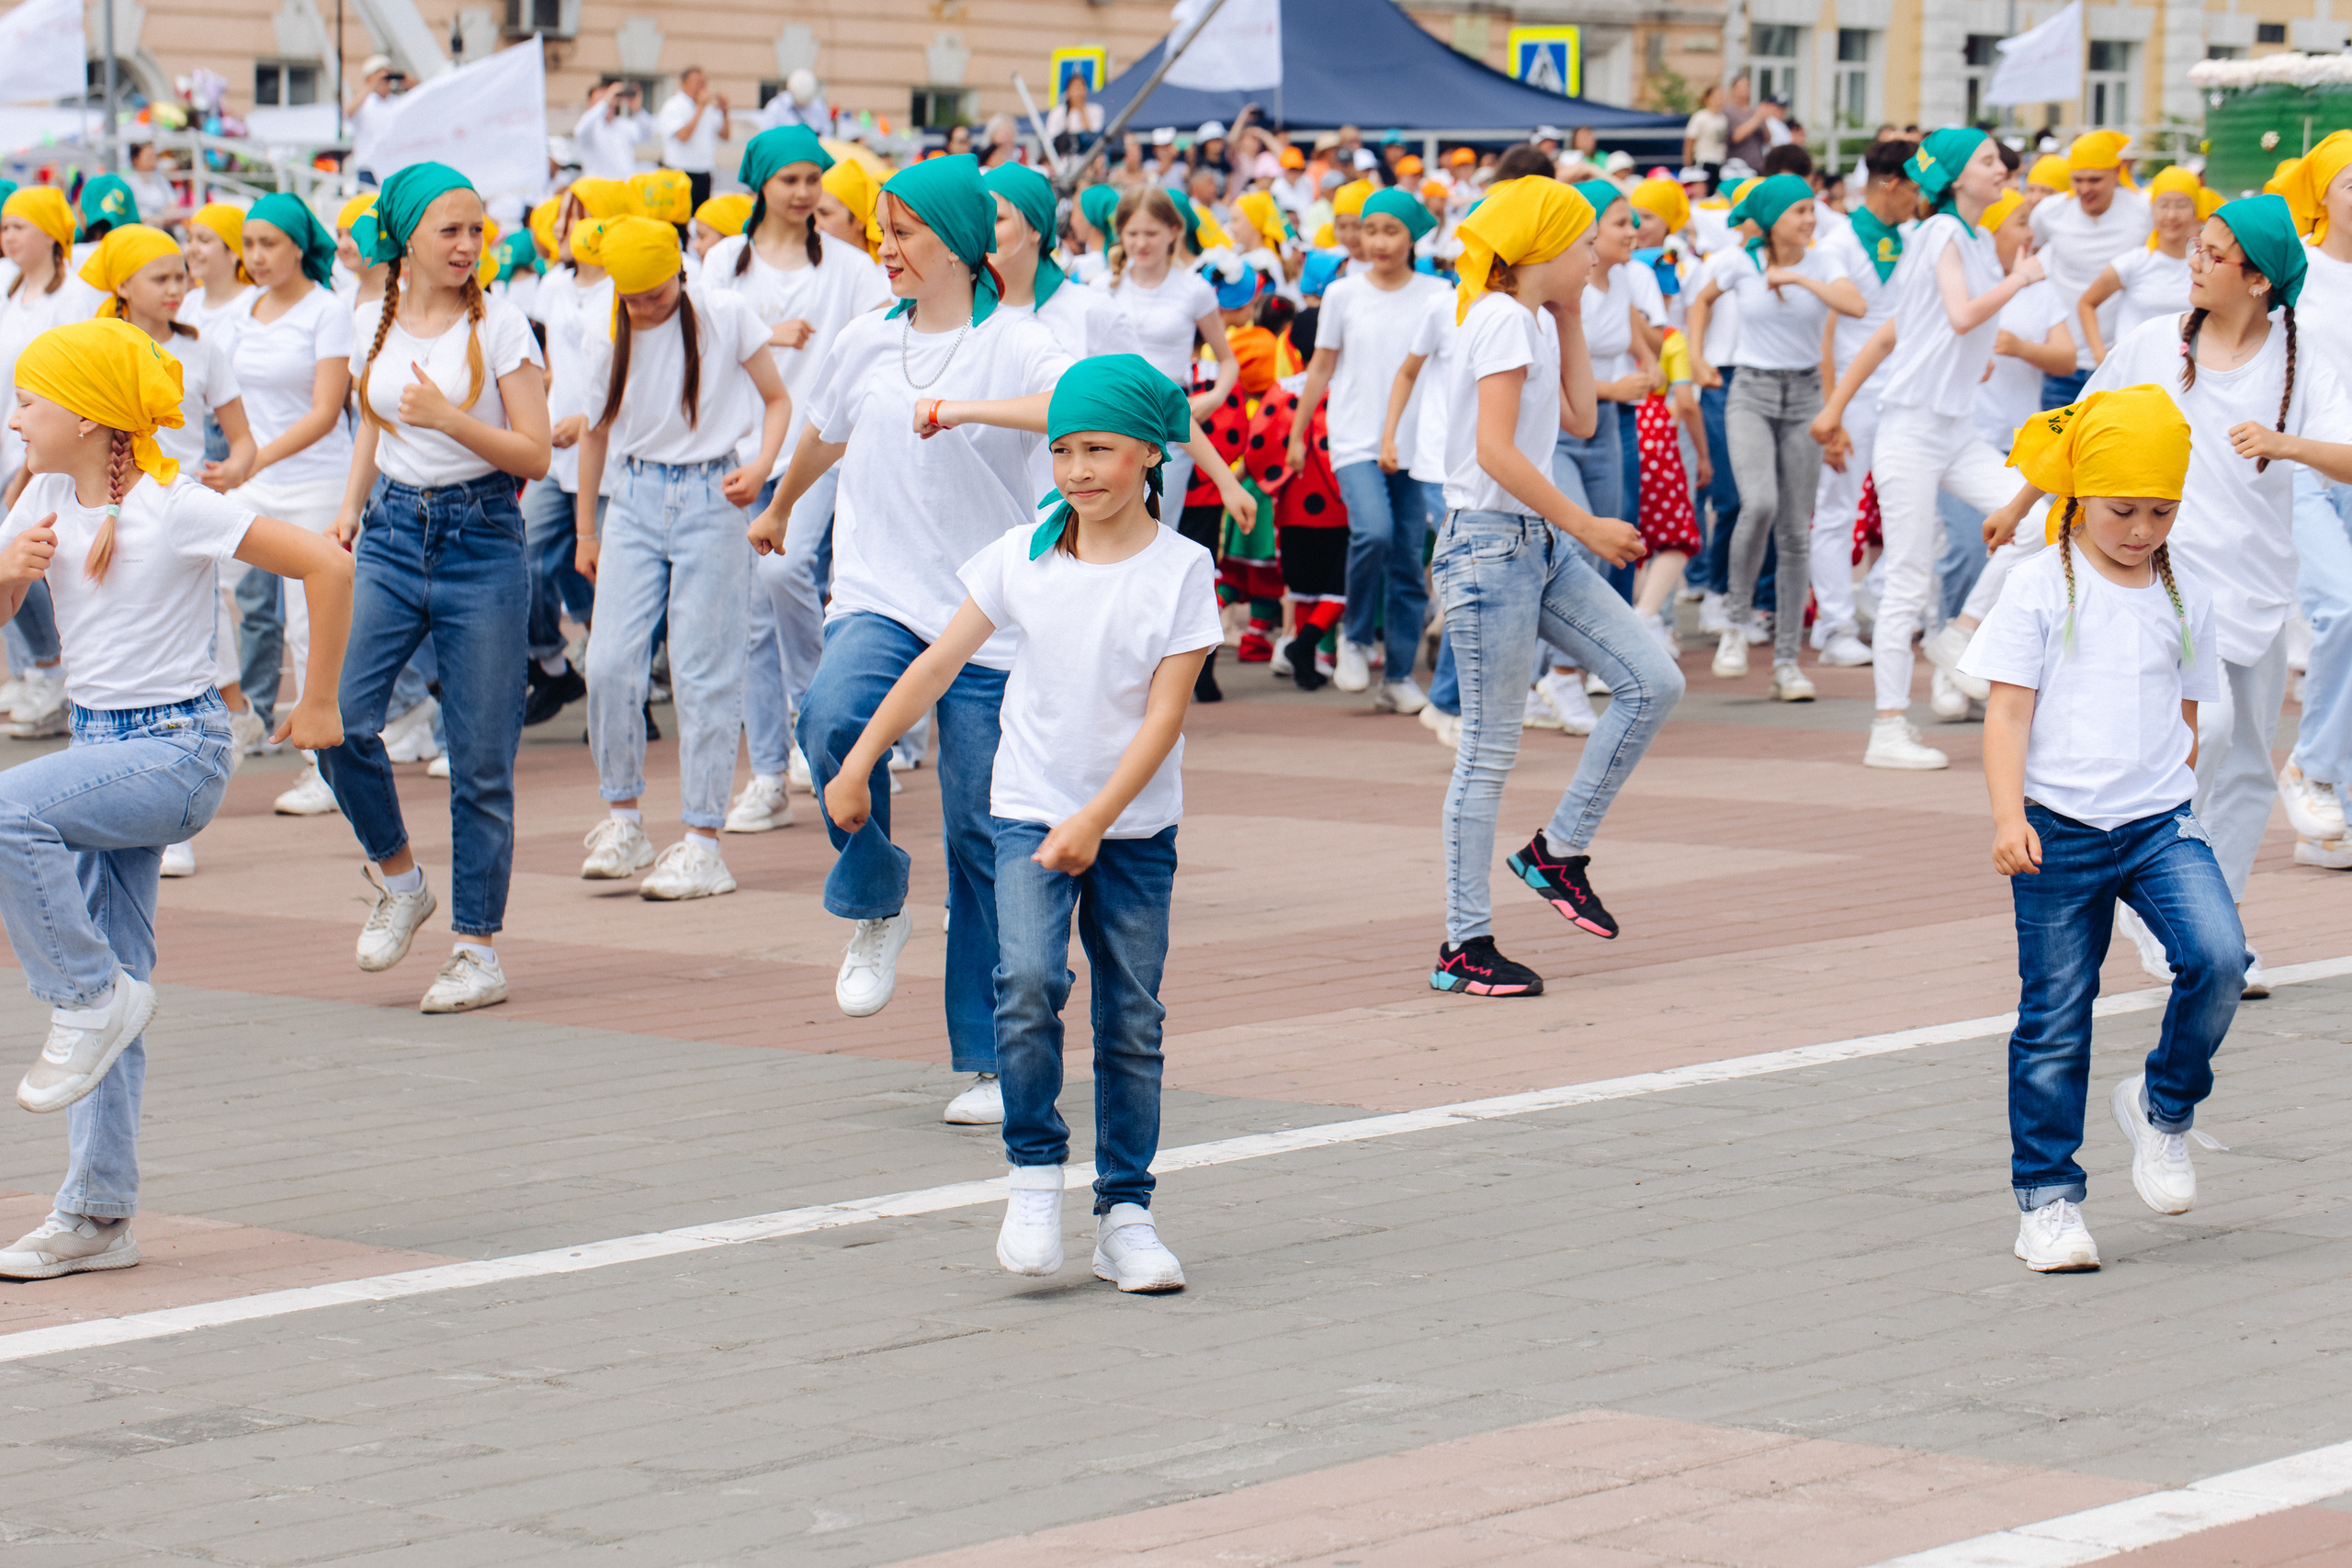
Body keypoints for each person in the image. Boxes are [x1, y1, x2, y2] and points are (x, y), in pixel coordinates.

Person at [821, 355, 1216, 1292]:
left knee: (1131, 1017)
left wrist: (1099, 818)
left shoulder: (1180, 571)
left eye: (1101, 451)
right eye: (1064, 451)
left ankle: (1126, 1213)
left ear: (1147, 456)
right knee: (1028, 981)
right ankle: (1034, 1174)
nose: (1078, 471)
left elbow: (1165, 716)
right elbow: (931, 666)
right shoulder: (1019, 556)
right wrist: (858, 759)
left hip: (1130, 831)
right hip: (1028, 814)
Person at [0, 318, 352, 1281]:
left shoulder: (174, 503)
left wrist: (315, 702)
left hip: (175, 752)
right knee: (118, 982)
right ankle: (97, 1214)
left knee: (5, 814)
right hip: (98, 750)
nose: (17, 414)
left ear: (89, 415)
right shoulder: (35, 495)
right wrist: (5, 577)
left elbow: (328, 563)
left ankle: (88, 998)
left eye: (31, 398)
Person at [750, 154, 1073, 1126]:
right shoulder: (861, 339)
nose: (883, 249)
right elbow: (824, 430)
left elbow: (1079, 412)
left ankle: (983, 1058)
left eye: (903, 233)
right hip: (879, 594)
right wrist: (779, 503)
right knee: (836, 721)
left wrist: (964, 409)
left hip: (988, 614)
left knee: (981, 835)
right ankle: (875, 887)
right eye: (880, 232)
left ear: (962, 243)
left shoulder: (1019, 342)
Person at [1983, 195, 2352, 997]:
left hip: (2257, 585)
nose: (2195, 257)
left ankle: (2221, 921)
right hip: (2167, 579)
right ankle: (2159, 915)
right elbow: (2081, 423)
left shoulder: (2304, 353)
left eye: (2215, 253)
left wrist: (2285, 443)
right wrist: (2018, 506)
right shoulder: (2154, 339)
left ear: (2257, 281)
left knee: (2250, 764)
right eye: (2200, 248)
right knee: (2205, 734)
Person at [1958, 387, 2235, 1273]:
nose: (2142, 529)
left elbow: (2190, 710)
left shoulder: (2187, 587)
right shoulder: (2040, 583)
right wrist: (2008, 817)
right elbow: (2006, 714)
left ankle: (2163, 1109)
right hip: (2057, 830)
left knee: (2219, 959)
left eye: (2162, 511)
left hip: (2159, 825)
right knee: (2055, 1016)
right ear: (2080, 494)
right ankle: (2047, 1200)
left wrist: (2175, 789)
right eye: (2123, 510)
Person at [1430, 175, 1682, 998]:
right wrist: (1586, 524)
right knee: (1489, 752)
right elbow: (1496, 451)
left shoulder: (1534, 317)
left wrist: (1570, 313)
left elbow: (1578, 418)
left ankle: (1558, 851)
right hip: (1490, 547)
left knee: (1654, 681)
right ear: (1542, 247)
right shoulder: (1501, 317)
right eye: (1583, 245)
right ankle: (1463, 945)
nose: (1595, 258)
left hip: (1533, 547)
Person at [318, 163, 553, 1012]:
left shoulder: (501, 326)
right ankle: (401, 879)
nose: (466, 246)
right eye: (449, 230)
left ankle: (475, 947)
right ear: (406, 236)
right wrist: (349, 507)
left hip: (482, 538)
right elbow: (370, 423)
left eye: (476, 230)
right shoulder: (369, 320)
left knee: (481, 759)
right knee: (337, 721)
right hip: (387, 534)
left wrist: (453, 419)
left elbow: (536, 454)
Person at [1812, 129, 2047, 772]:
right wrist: (2021, 278)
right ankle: (1888, 725)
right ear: (1953, 174)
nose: (2003, 168)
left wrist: (1969, 360)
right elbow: (1962, 316)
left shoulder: (1962, 240)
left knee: (2043, 519)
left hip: (1952, 426)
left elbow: (1900, 333)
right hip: (1912, 429)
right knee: (1908, 577)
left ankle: (1962, 632)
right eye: (1988, 160)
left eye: (2001, 160)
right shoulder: (1942, 231)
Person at [574, 216, 790, 899]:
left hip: (713, 494)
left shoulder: (725, 313)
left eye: (656, 292)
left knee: (705, 673)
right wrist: (586, 529)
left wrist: (760, 467)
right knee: (607, 661)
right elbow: (593, 431)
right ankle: (624, 817)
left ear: (680, 270)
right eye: (632, 295)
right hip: (633, 495)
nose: (645, 305)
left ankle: (702, 840)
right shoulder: (601, 325)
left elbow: (777, 398)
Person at [704, 128, 889, 836]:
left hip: (812, 456)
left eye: (813, 179)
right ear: (761, 185)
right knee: (747, 615)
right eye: (789, 179)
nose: (804, 192)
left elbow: (887, 324)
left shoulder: (847, 266)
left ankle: (821, 710)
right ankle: (767, 774)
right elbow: (699, 335)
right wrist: (762, 331)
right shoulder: (724, 261)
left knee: (784, 581)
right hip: (733, 456)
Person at [78, 224, 265, 873]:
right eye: (160, 277)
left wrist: (232, 471)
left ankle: (172, 821)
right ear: (122, 285)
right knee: (113, 649)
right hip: (105, 504)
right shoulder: (98, 346)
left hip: (178, 516)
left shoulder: (203, 348)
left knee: (184, 651)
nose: (176, 288)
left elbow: (241, 439)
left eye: (180, 274)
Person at [1686, 173, 1863, 698]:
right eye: (1798, 212)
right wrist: (1697, 358)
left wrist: (1799, 281)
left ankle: (1787, 662)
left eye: (1812, 210)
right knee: (1756, 503)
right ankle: (1735, 625)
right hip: (1751, 391)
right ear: (1770, 221)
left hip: (1806, 393)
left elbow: (1854, 306)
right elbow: (1700, 302)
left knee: (1794, 531)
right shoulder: (1737, 261)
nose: (1810, 220)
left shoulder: (1825, 260)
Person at [1288, 187, 1449, 709]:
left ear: (1411, 237)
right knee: (1373, 532)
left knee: (1406, 557)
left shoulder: (1438, 293)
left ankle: (1398, 677)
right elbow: (1322, 365)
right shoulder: (1342, 294)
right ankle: (1354, 637)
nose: (1377, 241)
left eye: (1390, 230)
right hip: (1355, 437)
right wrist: (1298, 432)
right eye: (1370, 229)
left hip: (1416, 443)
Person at [225, 195, 356, 812]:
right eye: (248, 244)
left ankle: (322, 765)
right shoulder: (240, 310)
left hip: (315, 482)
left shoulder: (328, 311)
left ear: (299, 245)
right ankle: (231, 713)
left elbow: (326, 413)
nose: (255, 256)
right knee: (196, 578)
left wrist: (252, 459)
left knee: (310, 626)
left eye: (268, 243)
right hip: (255, 479)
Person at [518, 179, 633, 731]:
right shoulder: (553, 285)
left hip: (609, 458)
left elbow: (631, 376)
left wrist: (585, 420)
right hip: (556, 451)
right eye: (563, 216)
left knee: (609, 577)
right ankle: (553, 662)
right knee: (525, 556)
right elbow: (552, 362)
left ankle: (620, 695)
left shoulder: (625, 286)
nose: (563, 227)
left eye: (578, 216)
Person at [2272, 133, 2352, 865]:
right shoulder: (2297, 266)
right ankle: (2310, 766)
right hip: (2298, 464)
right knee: (2343, 606)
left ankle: (2334, 816)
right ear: (2323, 193)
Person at [1804, 137, 1914, 666]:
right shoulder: (1837, 246)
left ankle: (1877, 594)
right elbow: (1824, 337)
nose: (1920, 197)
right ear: (1889, 184)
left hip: (1906, 393)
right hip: (1853, 396)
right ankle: (1834, 626)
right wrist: (1833, 410)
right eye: (1914, 186)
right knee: (1836, 511)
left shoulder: (1916, 238)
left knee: (1915, 504)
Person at [1092, 186, 1240, 506]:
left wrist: (1214, 397)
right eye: (1132, 233)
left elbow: (1228, 360)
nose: (1141, 243)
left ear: (1173, 231)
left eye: (1151, 233)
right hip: (1111, 421)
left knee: (1160, 524)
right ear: (1120, 233)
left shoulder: (1194, 290)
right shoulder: (1102, 286)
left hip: (1169, 426)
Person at [2029, 130, 2151, 408]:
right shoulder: (2050, 212)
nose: (2085, 189)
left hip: (2122, 364)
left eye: (2094, 180)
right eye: (2078, 180)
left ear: (2117, 172)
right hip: (2063, 367)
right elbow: (2027, 254)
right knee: (2056, 449)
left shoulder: (2143, 209)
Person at [2074, 164, 2200, 366]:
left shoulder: (2203, 265)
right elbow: (2086, 303)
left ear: (2195, 210)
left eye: (2182, 205)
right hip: (2133, 376)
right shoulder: (2135, 262)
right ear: (2152, 209)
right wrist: (2101, 358)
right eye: (2164, 205)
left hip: (2185, 375)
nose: (2171, 215)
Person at [655, 66, 731, 214]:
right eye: (698, 82)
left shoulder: (708, 108)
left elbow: (725, 136)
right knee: (678, 218)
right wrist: (699, 109)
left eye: (704, 82)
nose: (702, 86)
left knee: (700, 219)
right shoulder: (674, 106)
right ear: (684, 83)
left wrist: (725, 111)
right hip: (679, 172)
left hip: (703, 173)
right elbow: (683, 136)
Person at [574, 81, 650, 182]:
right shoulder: (590, 129)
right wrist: (605, 101)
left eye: (611, 98)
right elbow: (580, 130)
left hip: (624, 187)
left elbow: (646, 134)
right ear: (590, 103)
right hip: (598, 189)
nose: (609, 102)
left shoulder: (623, 124)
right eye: (600, 100)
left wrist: (637, 111)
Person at [346, 55, 403, 182]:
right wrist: (372, 84)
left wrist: (407, 81)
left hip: (393, 167)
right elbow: (348, 112)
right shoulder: (363, 103)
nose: (385, 79)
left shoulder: (397, 102)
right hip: (369, 168)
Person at [1044, 71, 1104, 162]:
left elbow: (1094, 138)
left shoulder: (1096, 110)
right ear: (1068, 91)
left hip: (1087, 162)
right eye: (1075, 88)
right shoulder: (1057, 112)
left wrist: (1082, 111)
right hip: (1063, 162)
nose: (1078, 92)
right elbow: (1051, 139)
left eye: (1081, 87)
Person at [762, 69, 833, 135]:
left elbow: (827, 133)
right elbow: (767, 134)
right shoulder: (777, 107)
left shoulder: (818, 106)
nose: (803, 105)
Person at [1684, 85, 1729, 186]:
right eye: (1716, 97)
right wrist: (1688, 165)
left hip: (1719, 162)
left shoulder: (1723, 119)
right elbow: (1689, 142)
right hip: (1704, 160)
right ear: (1708, 98)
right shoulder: (1700, 117)